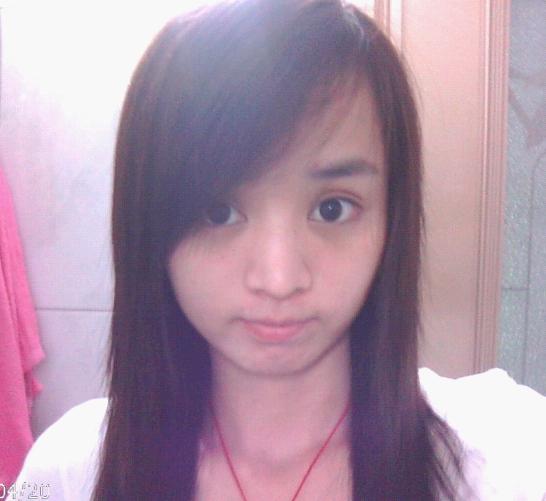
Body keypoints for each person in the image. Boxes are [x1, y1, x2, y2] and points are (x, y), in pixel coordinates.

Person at [13, 0, 546, 500]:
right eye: (218, 212)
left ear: (392, 217)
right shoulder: (67, 472)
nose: (280, 278)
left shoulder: (505, 455)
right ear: (149, 224)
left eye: (332, 209)